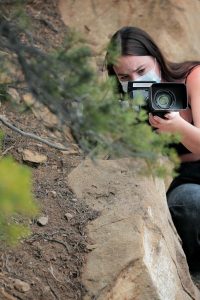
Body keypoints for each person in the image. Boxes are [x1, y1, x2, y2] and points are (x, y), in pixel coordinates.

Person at [105, 26, 200, 273]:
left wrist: (177, 126)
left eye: (141, 70)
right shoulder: (129, 105)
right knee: (187, 203)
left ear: (157, 60)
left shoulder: (193, 77)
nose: (136, 81)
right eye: (125, 77)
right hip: (189, 180)